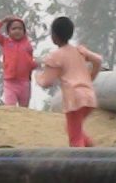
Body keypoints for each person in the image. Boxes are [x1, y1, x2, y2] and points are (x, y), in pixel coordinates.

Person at [33, 16, 105, 147]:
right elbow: (98, 60)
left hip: (74, 98)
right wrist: (90, 77)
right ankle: (94, 151)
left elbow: (46, 82)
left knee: (75, 138)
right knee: (74, 129)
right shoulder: (79, 51)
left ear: (54, 36)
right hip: (89, 96)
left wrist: (37, 75)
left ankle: (83, 164)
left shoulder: (55, 56)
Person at [0, 15, 36, 107]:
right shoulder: (6, 42)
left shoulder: (27, 45)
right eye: (14, 29)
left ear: (24, 32)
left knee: (24, 110)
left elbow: (30, 62)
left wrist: (37, 64)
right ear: (8, 32)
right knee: (10, 108)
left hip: (24, 82)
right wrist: (2, 21)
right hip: (10, 82)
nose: (17, 31)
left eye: (20, 29)